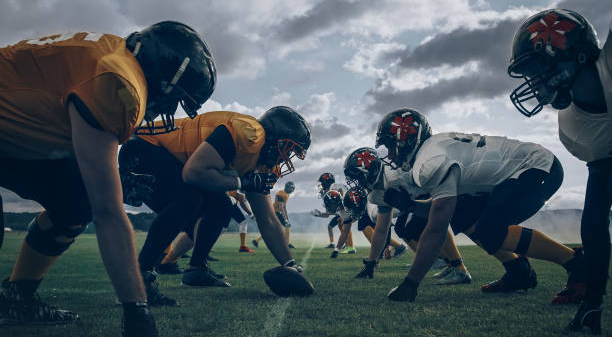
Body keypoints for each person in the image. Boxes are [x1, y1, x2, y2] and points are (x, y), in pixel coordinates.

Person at [0, 21, 215, 336]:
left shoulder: (114, 55)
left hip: (11, 132)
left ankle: (17, 297)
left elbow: (47, 115)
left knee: (76, 200)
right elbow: (108, 213)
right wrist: (136, 307)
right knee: (96, 203)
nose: (168, 109)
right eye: (173, 98)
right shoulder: (118, 81)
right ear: (163, 75)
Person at [368, 108, 585, 307]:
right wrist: (411, 205)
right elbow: (444, 210)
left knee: (489, 229)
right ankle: (518, 271)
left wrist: (410, 284)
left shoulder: (429, 161)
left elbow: (437, 227)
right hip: (517, 173)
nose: (391, 154)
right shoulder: (431, 152)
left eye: (390, 146)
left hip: (534, 167)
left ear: (406, 140)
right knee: (464, 215)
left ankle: (578, 265)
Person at [120, 106, 312, 302]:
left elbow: (268, 220)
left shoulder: (261, 162)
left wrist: (290, 264)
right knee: (189, 199)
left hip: (174, 160)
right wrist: (242, 182)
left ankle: (195, 270)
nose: (286, 158)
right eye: (288, 149)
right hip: (144, 147)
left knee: (221, 206)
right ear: (273, 137)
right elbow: (194, 172)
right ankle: (137, 280)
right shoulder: (249, 133)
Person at [507, 9, 611, 334]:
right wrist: (592, 302)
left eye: (536, 69)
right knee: (591, 222)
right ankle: (591, 306)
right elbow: (595, 219)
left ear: (565, 53)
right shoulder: (575, 124)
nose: (534, 82)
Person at [343, 147, 472, 285]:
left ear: (368, 171)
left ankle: (459, 268)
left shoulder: (397, 174)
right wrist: (371, 262)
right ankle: (452, 265)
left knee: (430, 222)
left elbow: (431, 185)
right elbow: (381, 229)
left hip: (438, 188)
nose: (358, 183)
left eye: (357, 177)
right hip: (416, 198)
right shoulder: (378, 191)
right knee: (404, 229)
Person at [253, 181, 295, 249]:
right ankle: (288, 244)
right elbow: (281, 207)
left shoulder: (286, 194)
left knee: (284, 226)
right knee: (273, 229)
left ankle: (256, 241)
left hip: (277, 212)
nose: (292, 190)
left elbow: (284, 207)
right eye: (291, 188)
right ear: (288, 188)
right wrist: (285, 219)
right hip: (275, 212)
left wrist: (287, 218)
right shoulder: (281, 193)